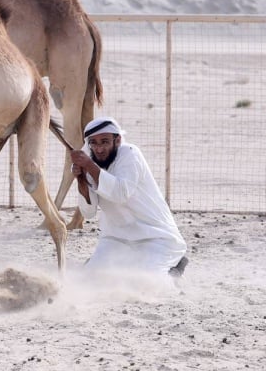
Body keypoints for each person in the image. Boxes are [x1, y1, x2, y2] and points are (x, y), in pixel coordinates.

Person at [70, 116, 188, 279]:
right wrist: (81, 178)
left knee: (147, 284)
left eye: (104, 142)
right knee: (88, 280)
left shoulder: (130, 154)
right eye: (94, 143)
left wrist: (89, 166)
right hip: (116, 238)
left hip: (155, 237)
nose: (99, 149)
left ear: (117, 140)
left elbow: (120, 193)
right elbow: (89, 212)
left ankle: (175, 268)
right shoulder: (91, 161)